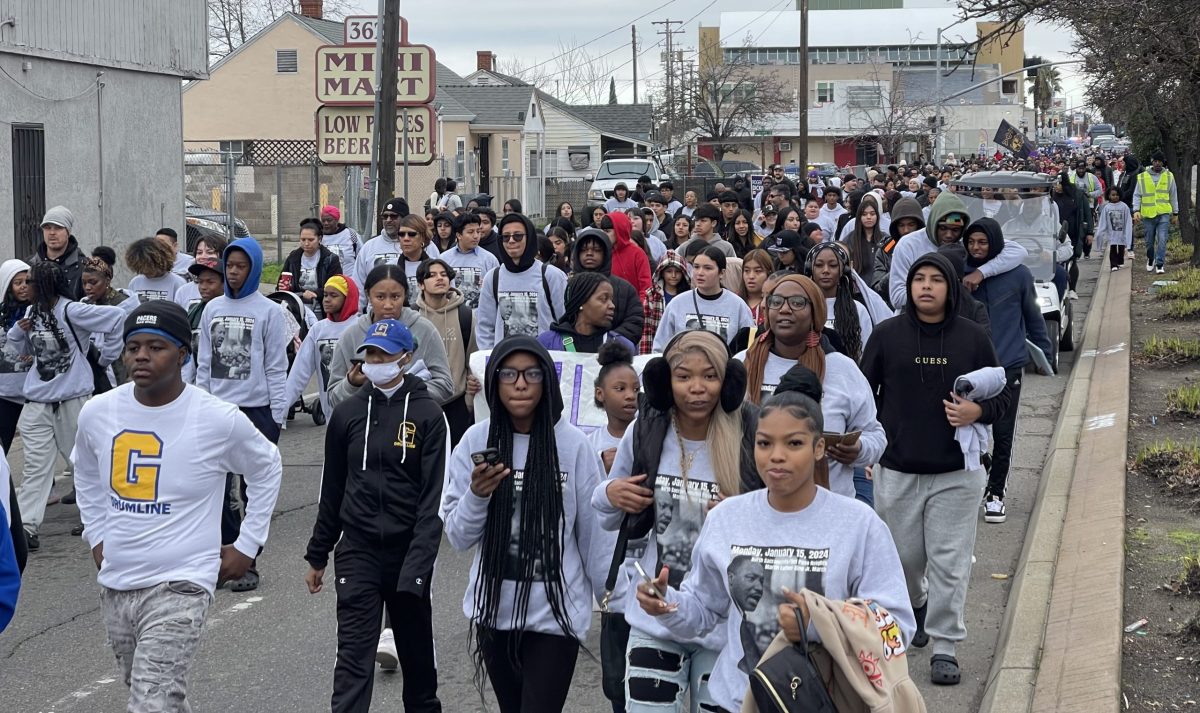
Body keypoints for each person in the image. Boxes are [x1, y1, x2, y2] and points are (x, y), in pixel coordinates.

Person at [632, 387, 913, 713]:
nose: (776, 455)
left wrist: (818, 624)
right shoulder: (726, 517)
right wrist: (668, 605)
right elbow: (704, 611)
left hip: (823, 701)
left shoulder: (858, 524)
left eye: (793, 443)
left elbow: (897, 627)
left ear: (819, 447)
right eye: (765, 443)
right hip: (737, 701)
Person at [74, 300, 282, 712]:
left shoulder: (217, 419)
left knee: (151, 701)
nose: (142, 356)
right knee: (156, 693)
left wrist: (248, 542)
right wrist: (95, 533)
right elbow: (84, 474)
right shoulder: (97, 413)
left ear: (183, 354)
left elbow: (267, 465)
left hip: (182, 581)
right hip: (118, 581)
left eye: (156, 347)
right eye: (134, 347)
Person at [861, 253, 1010, 686]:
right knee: (903, 560)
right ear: (908, 287)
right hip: (899, 469)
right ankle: (917, 604)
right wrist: (868, 450)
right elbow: (862, 398)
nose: (926, 286)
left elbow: (1002, 397)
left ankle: (945, 645)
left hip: (957, 473)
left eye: (935, 280)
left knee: (950, 560)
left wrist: (976, 410)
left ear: (950, 287)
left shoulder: (973, 338)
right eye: (918, 279)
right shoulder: (887, 335)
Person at [592, 329, 758, 713]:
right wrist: (611, 493)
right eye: (684, 377)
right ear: (664, 381)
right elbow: (605, 514)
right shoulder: (647, 428)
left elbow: (780, 522)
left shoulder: (752, 435)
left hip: (723, 624)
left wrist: (741, 513)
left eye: (710, 376)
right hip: (657, 614)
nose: (697, 388)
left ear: (728, 383)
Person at [442, 336, 602, 713]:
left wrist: (613, 604)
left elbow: (594, 535)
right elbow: (459, 537)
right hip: (494, 614)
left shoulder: (574, 445)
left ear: (547, 381)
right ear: (494, 382)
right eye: (509, 374)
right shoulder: (475, 441)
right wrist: (477, 495)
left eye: (532, 373)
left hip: (556, 617)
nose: (520, 383)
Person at [305, 318, 445, 713]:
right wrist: (318, 554)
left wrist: (418, 568)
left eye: (384, 354)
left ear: (406, 358)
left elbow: (433, 502)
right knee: (352, 656)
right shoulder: (347, 413)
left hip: (408, 553)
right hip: (358, 550)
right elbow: (331, 488)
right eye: (370, 354)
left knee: (417, 664)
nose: (375, 361)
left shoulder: (429, 415)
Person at [737, 274, 886, 500]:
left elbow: (876, 436)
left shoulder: (842, 369)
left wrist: (858, 450)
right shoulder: (742, 364)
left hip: (826, 510)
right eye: (776, 302)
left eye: (797, 302)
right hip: (751, 504)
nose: (785, 309)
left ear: (815, 313)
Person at [10, 261, 126, 551]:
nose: (25, 287)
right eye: (22, 282)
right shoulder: (30, 313)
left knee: (81, 463)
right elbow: (23, 352)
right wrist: (18, 331)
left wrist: (104, 358)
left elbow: (117, 318)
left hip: (72, 400)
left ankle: (98, 518)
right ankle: (26, 527)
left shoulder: (72, 311)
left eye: (31, 282)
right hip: (37, 401)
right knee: (36, 467)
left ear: (47, 285)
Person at [195, 238, 290, 590]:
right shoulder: (211, 309)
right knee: (216, 489)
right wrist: (201, 405)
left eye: (240, 266)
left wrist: (277, 414)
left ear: (252, 268)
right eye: (229, 266)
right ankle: (220, 558)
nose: (233, 273)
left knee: (253, 489)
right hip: (218, 411)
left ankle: (248, 560)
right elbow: (203, 364)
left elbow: (276, 366)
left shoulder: (268, 311)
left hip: (257, 411)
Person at [963, 218, 1053, 523]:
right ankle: (979, 474)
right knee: (968, 430)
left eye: (983, 242)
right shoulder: (958, 274)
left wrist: (1046, 355)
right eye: (972, 242)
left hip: (1008, 364)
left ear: (996, 243)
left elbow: (1033, 315)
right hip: (969, 368)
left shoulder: (1018, 275)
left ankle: (996, 493)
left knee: (1003, 433)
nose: (976, 248)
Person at [327, 264, 454, 411]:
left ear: (405, 295)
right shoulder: (351, 336)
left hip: (412, 426)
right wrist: (351, 384)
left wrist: (405, 392)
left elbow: (445, 385)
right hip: (365, 427)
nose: (388, 305)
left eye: (395, 297)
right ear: (368, 295)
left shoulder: (424, 329)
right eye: (380, 297)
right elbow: (333, 397)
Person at [888, 192, 1027, 310]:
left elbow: (1018, 251)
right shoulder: (908, 245)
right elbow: (897, 297)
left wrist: (981, 273)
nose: (949, 235)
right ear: (933, 222)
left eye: (955, 230)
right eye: (943, 228)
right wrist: (942, 291)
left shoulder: (966, 241)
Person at [475, 213, 567, 349]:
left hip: (545, 361)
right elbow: (485, 327)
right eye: (505, 237)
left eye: (517, 236)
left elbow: (564, 322)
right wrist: (491, 359)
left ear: (529, 238)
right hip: (505, 362)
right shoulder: (492, 278)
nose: (511, 241)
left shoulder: (551, 276)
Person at [414, 259, 478, 446]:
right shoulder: (412, 316)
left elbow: (471, 360)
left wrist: (468, 401)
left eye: (443, 275)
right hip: (421, 401)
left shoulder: (465, 315)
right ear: (420, 284)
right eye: (432, 275)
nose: (439, 279)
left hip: (456, 403)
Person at [283, 275, 361, 428]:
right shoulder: (318, 330)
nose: (327, 299)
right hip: (331, 414)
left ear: (348, 298)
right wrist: (281, 410)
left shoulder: (360, 327)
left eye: (334, 295)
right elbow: (300, 371)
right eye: (325, 295)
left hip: (359, 413)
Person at [652, 247, 755, 352]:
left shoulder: (738, 306)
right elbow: (660, 347)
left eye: (708, 268)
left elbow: (749, 349)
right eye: (696, 267)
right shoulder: (677, 304)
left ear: (722, 273)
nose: (700, 273)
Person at [569, 227, 645, 345]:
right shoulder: (568, 286)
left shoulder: (624, 288)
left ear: (606, 254)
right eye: (584, 250)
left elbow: (635, 321)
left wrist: (611, 341)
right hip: (572, 349)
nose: (589, 253)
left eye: (596, 250)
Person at [537, 271, 637, 355]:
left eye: (611, 300)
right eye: (603, 299)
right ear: (581, 302)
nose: (612, 306)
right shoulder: (546, 343)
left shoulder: (623, 346)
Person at [806, 242, 875, 362]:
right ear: (810, 269)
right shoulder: (801, 307)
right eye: (819, 265)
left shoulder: (858, 309)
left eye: (833, 265)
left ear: (843, 270)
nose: (825, 271)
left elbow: (866, 356)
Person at [80, 252, 139, 388]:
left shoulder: (127, 305)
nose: (88, 287)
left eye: (93, 282)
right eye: (84, 283)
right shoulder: (84, 305)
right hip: (91, 369)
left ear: (107, 280)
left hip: (121, 366)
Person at [281, 218, 342, 318]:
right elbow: (283, 286)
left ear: (320, 239)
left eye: (310, 240)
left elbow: (336, 287)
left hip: (322, 310)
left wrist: (316, 293)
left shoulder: (330, 259)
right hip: (296, 309)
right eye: (303, 239)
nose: (306, 243)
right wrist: (283, 287)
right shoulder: (293, 258)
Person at [440, 212, 500, 310]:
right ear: (459, 235)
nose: (476, 236)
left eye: (478, 231)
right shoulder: (444, 259)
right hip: (452, 314)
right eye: (471, 232)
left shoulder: (489, 259)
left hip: (479, 316)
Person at [1133, 150, 1179, 274]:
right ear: (1152, 162)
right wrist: (1136, 210)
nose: (1157, 164)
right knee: (1149, 242)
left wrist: (1175, 213)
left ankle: (1159, 264)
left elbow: (1173, 195)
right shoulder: (1142, 176)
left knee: (1162, 239)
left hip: (1163, 213)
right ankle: (1150, 258)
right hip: (1148, 215)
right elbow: (1137, 195)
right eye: (1155, 161)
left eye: (1159, 161)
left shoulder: (1169, 176)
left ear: (1163, 162)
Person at [873, 196, 924, 305]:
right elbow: (877, 288)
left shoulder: (928, 246)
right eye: (901, 225)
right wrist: (899, 268)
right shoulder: (886, 249)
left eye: (911, 224)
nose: (906, 230)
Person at [28, 206, 86, 299]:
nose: (52, 233)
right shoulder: (30, 265)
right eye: (47, 228)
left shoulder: (83, 267)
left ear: (68, 231)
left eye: (58, 228)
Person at [1052, 172, 1094, 297]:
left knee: (1073, 259)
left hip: (1074, 232)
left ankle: (1072, 289)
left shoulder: (1078, 194)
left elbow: (1087, 213)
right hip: (1056, 233)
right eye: (1055, 184)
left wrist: (1090, 232)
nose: (1057, 187)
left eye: (1059, 184)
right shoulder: (1052, 197)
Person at [639, 251, 689, 355]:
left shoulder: (689, 295)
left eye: (678, 272)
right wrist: (646, 357)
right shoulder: (652, 295)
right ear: (662, 272)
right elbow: (646, 329)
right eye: (669, 271)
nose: (674, 275)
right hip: (659, 347)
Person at [126, 237, 188, 305]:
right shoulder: (135, 283)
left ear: (161, 261)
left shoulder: (178, 283)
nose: (146, 270)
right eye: (141, 266)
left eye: (149, 265)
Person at [175, 234, 228, 312]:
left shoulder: (231, 289)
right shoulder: (183, 291)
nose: (203, 256)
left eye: (209, 252)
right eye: (199, 253)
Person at [606, 212, 653, 298]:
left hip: (633, 306)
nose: (604, 235)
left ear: (618, 230)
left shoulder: (638, 254)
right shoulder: (603, 253)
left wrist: (640, 308)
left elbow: (645, 286)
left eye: (607, 231)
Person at [320, 205, 362, 286]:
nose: (326, 223)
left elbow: (361, 255)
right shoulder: (318, 236)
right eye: (323, 220)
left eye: (329, 220)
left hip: (349, 282)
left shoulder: (350, 234)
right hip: (326, 285)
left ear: (336, 220)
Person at [1096, 186, 1133, 271]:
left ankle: (1120, 261)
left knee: (1121, 247)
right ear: (1108, 196)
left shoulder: (1124, 207)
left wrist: (1128, 233)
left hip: (1121, 232)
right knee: (1112, 248)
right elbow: (1103, 221)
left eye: (1117, 195)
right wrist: (1100, 233)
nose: (1115, 197)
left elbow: (1128, 220)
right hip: (1111, 232)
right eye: (1113, 195)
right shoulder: (1107, 207)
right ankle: (1113, 265)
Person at [739, 248, 773, 326]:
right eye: (747, 271)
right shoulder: (734, 300)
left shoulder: (775, 304)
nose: (751, 276)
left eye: (758, 271)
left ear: (768, 273)